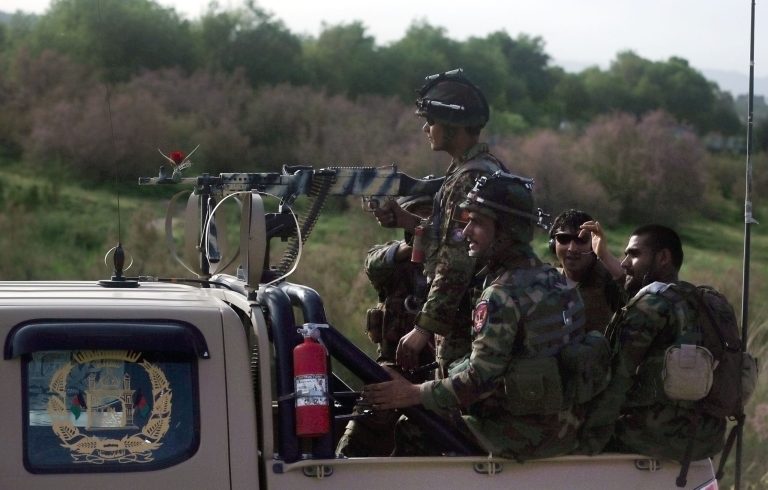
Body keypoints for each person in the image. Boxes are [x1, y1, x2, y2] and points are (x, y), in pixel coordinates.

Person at [364, 172, 595, 460]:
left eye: (477, 222)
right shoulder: (558, 280)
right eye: (466, 220)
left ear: (506, 231)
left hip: (520, 435)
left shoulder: (501, 294)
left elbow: (479, 380)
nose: (466, 231)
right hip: (564, 429)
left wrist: (412, 393)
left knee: (413, 427)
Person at [373, 68, 508, 377]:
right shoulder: (474, 169)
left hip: (465, 316)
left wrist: (424, 327)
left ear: (453, 126)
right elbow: (453, 237)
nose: (426, 129)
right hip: (471, 309)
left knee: (453, 409)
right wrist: (408, 221)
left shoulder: (470, 176)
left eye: (431, 121)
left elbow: (456, 261)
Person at [579, 224, 726, 461]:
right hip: (706, 439)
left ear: (663, 258)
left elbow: (617, 380)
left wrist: (590, 437)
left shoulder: (651, 306)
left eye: (634, 254)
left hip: (654, 437)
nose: (625, 263)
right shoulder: (708, 304)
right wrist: (603, 255)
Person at [336, 195, 434, 457]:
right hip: (394, 369)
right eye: (416, 220)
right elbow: (373, 263)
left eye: (429, 220)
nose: (422, 226)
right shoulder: (395, 261)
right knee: (363, 430)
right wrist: (411, 245)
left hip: (441, 375)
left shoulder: (458, 266)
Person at [548, 209, 625, 333]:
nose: (572, 248)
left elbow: (635, 289)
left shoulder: (608, 279)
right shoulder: (546, 280)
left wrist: (604, 254)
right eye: (563, 239)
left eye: (581, 240)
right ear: (553, 244)